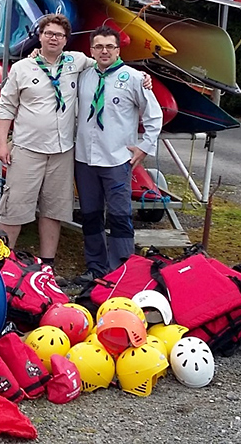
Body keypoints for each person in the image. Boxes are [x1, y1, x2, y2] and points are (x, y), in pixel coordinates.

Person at [0, 14, 92, 268]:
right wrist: (3, 144)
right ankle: (1, 262)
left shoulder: (77, 61)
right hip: (27, 149)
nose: (54, 38)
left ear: (66, 40)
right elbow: (6, 107)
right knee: (13, 207)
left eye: (59, 35)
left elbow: (107, 65)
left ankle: (47, 265)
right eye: (49, 33)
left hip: (62, 151)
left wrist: (141, 78)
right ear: (39, 36)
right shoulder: (22, 68)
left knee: (55, 210)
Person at [74, 25, 163, 286]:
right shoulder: (84, 76)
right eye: (99, 46)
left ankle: (122, 268)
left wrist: (144, 147)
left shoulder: (134, 78)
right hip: (85, 158)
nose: (104, 51)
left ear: (118, 49)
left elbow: (153, 115)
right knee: (89, 214)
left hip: (116, 159)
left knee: (119, 215)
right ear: (91, 50)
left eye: (109, 46)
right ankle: (96, 267)